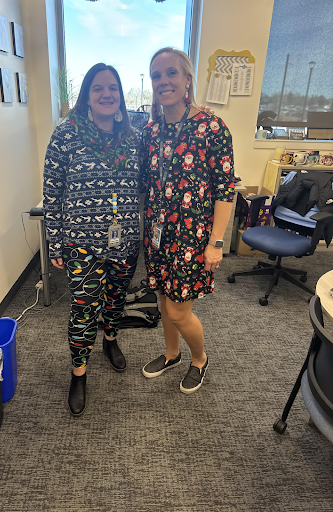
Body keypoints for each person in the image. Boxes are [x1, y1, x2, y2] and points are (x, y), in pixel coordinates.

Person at [43, 63, 140, 416]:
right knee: (84, 309)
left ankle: (110, 340)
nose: (106, 94)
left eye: (113, 87)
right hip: (80, 242)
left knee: (115, 299)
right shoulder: (65, 134)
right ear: (86, 95)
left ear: (120, 95)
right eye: (98, 88)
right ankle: (78, 373)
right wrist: (55, 243)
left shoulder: (132, 136)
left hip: (124, 239)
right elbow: (51, 193)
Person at [140, 47, 235, 394]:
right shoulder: (151, 132)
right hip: (158, 234)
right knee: (164, 301)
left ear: (187, 79)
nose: (163, 81)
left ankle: (199, 358)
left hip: (193, 238)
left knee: (180, 311)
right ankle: (171, 354)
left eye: (170, 73)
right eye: (156, 76)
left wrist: (216, 242)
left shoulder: (212, 127)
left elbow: (225, 189)